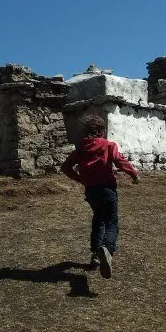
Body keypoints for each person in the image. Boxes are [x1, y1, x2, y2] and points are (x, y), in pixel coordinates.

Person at [60, 114, 140, 279]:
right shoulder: (108, 146)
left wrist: (80, 179)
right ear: (101, 131)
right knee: (111, 222)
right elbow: (120, 161)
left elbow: (66, 167)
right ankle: (107, 249)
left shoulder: (80, 149)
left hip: (91, 191)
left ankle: (96, 255)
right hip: (108, 190)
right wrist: (134, 175)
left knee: (98, 219)